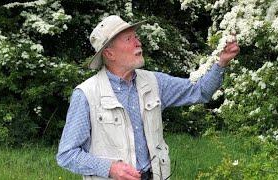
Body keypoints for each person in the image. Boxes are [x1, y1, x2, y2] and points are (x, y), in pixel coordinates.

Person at [56, 15, 239, 180]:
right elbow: (67, 154)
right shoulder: (87, 94)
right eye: (129, 39)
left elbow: (200, 91)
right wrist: (110, 168)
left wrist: (222, 62)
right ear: (109, 53)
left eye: (136, 37)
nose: (138, 42)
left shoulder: (155, 82)